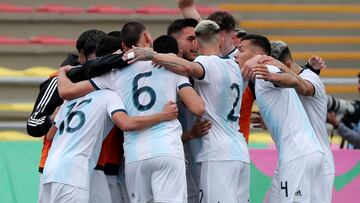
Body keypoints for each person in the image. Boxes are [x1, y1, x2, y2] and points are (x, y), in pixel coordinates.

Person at [57, 21, 205, 203]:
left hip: (135, 155)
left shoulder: (114, 74)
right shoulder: (170, 67)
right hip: (167, 148)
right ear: (148, 38)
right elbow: (198, 108)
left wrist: (61, 73)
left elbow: (67, 92)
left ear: (123, 46)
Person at [124, 20, 250, 203]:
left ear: (196, 44)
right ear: (221, 40)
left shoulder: (205, 62)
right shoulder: (233, 66)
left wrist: (153, 55)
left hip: (216, 153)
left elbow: (190, 68)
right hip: (240, 151)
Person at [40, 76, 179, 202]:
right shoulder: (109, 95)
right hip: (73, 172)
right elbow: (125, 123)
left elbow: (50, 135)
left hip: (50, 170)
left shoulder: (70, 99)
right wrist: (164, 115)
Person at [238, 34, 327, 203]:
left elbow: (289, 79)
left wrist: (273, 77)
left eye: (241, 50)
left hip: (298, 155)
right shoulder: (261, 75)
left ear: (258, 54)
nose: (236, 54)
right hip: (300, 153)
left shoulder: (265, 71)